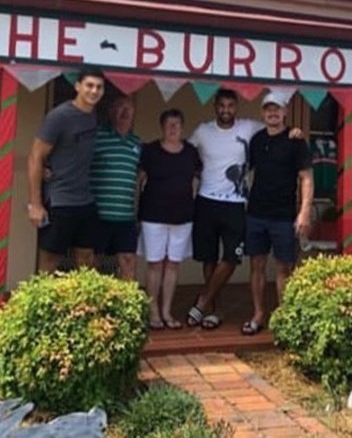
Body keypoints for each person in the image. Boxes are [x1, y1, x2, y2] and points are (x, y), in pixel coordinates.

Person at [186, 88, 301, 329]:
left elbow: (276, 128)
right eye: (221, 105)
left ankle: (204, 299)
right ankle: (214, 311)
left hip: (236, 204)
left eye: (230, 105)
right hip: (206, 200)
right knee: (209, 259)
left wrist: (294, 131)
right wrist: (196, 172)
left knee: (231, 257)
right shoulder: (202, 131)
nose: (226, 110)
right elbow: (186, 155)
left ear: (235, 107)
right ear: (215, 107)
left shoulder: (250, 128)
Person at [242, 91, 313, 335]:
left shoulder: (296, 141)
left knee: (284, 268)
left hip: (284, 215)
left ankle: (284, 317)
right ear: (263, 113)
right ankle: (258, 313)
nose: (272, 113)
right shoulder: (257, 140)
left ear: (284, 112)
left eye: (277, 109)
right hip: (256, 213)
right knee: (257, 265)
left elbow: (306, 178)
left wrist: (304, 212)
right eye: (268, 109)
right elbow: (243, 169)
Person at [27, 66, 105, 272]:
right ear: (78, 86)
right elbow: (36, 156)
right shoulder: (59, 116)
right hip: (59, 200)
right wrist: (35, 204)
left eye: (99, 87)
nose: (94, 91)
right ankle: (43, 303)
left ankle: (80, 305)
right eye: (89, 85)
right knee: (50, 261)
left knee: (87, 259)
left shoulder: (93, 117)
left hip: (85, 199)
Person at [138, 109, 201, 330]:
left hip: (182, 216)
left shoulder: (191, 152)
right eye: (168, 124)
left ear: (182, 127)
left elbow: (199, 177)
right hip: (153, 215)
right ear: (162, 127)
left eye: (176, 124)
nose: (173, 128)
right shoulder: (150, 151)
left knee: (173, 264)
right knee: (155, 264)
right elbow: (139, 180)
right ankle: (153, 310)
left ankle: (166, 310)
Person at [90, 95, 142, 281]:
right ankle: (92, 307)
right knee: (93, 261)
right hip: (98, 214)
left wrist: (137, 213)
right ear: (111, 111)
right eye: (120, 106)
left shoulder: (137, 143)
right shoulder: (97, 137)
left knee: (128, 260)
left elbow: (139, 179)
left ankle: (127, 307)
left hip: (126, 217)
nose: (125, 112)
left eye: (129, 107)